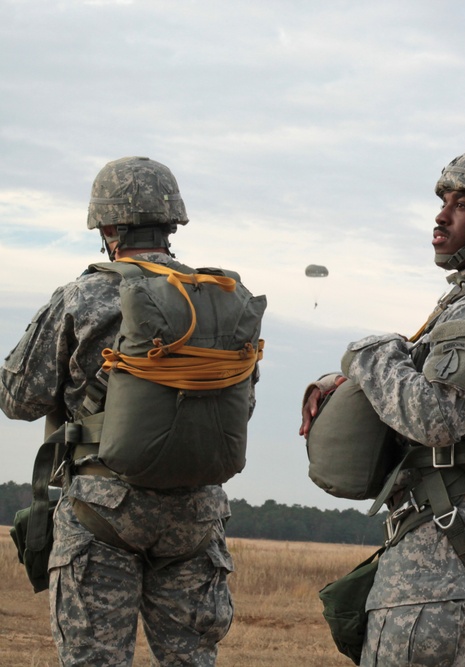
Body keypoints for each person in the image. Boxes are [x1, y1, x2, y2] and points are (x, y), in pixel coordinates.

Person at [300, 149, 465, 667]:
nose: (441, 217)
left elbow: (436, 418)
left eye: (462, 205)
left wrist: (372, 354)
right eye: (444, 203)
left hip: (439, 552)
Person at [1, 156, 250, 665]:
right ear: (172, 221)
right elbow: (240, 402)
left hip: (103, 508)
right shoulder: (220, 297)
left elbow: (18, 399)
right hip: (196, 515)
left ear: (107, 225)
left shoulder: (82, 294)